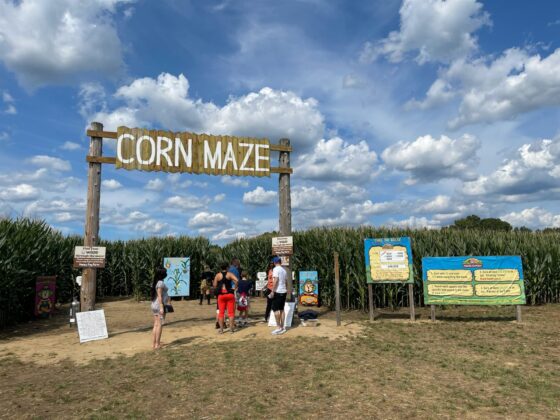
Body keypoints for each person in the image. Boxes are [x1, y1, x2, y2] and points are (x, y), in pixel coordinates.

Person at [213, 261, 238, 334]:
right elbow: (236, 280)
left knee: (221, 313)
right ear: (227, 267)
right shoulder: (229, 274)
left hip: (221, 295)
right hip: (230, 294)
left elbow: (214, 285)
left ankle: (221, 330)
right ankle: (231, 329)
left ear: (220, 267)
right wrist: (235, 288)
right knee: (231, 313)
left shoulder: (218, 275)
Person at [150, 267, 169, 350]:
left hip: (154, 304)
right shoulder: (160, 283)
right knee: (160, 324)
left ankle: (154, 343)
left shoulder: (156, 282)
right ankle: (157, 344)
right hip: (159, 305)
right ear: (162, 274)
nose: (166, 273)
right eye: (165, 272)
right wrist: (161, 306)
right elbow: (159, 295)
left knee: (156, 324)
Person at [269, 256, 288, 335]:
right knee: (282, 309)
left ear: (275, 262)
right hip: (283, 291)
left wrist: (272, 291)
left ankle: (278, 327)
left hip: (277, 291)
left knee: (275, 309)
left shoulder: (275, 269)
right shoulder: (284, 270)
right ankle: (283, 327)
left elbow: (276, 280)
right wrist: (286, 289)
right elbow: (286, 282)